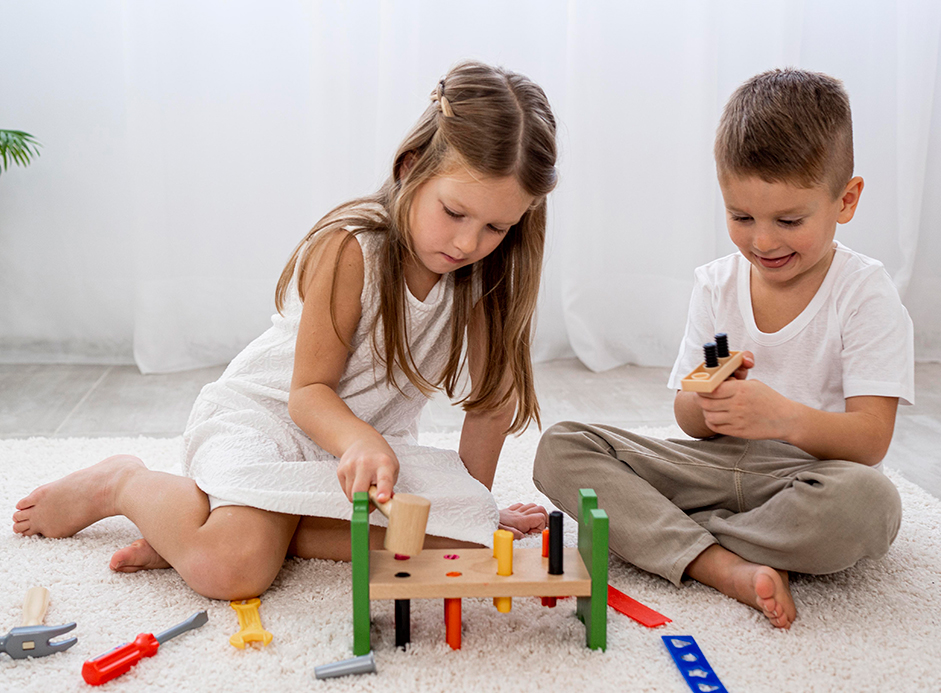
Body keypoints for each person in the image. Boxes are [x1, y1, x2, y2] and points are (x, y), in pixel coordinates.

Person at [13, 60, 557, 600]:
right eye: (455, 212)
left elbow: (491, 406)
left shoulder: (484, 275)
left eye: (495, 227)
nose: (467, 243)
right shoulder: (352, 250)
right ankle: (124, 484)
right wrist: (360, 441)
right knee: (233, 570)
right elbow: (308, 394)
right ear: (410, 168)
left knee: (462, 544)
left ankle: (199, 525)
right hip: (267, 425)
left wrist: (472, 510)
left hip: (359, 455)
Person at [533, 68, 913, 629]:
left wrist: (783, 418)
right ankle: (721, 561)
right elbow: (688, 418)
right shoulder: (717, 284)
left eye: (789, 220)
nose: (763, 240)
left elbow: (871, 439)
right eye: (741, 216)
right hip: (709, 468)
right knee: (560, 447)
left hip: (807, 478)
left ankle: (672, 537)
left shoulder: (865, 293)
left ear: (846, 200)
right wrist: (710, 402)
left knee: (870, 505)